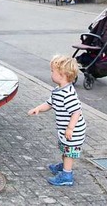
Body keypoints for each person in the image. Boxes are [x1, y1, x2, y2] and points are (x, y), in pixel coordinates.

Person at [28, 55, 86, 186]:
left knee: (69, 152)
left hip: (74, 131)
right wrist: (38, 108)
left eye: (53, 71)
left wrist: (70, 128)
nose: (51, 73)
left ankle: (67, 175)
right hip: (65, 129)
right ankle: (65, 166)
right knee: (65, 149)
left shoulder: (68, 95)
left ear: (62, 75)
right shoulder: (58, 91)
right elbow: (50, 103)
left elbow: (76, 112)